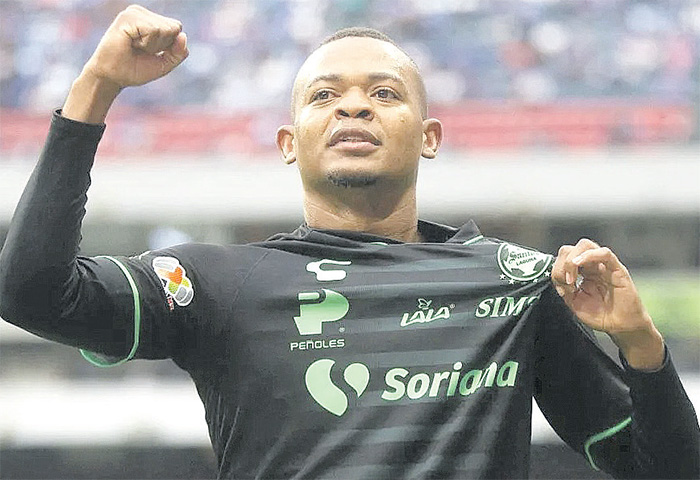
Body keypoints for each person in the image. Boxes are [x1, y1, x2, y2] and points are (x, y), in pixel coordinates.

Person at [0, 5, 698, 479]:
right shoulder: (217, 284)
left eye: (385, 94)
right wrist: (96, 88)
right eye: (324, 96)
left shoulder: (516, 284)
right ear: (288, 143)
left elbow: (664, 469)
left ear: (429, 138)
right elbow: (31, 293)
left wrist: (642, 345)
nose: (355, 105)